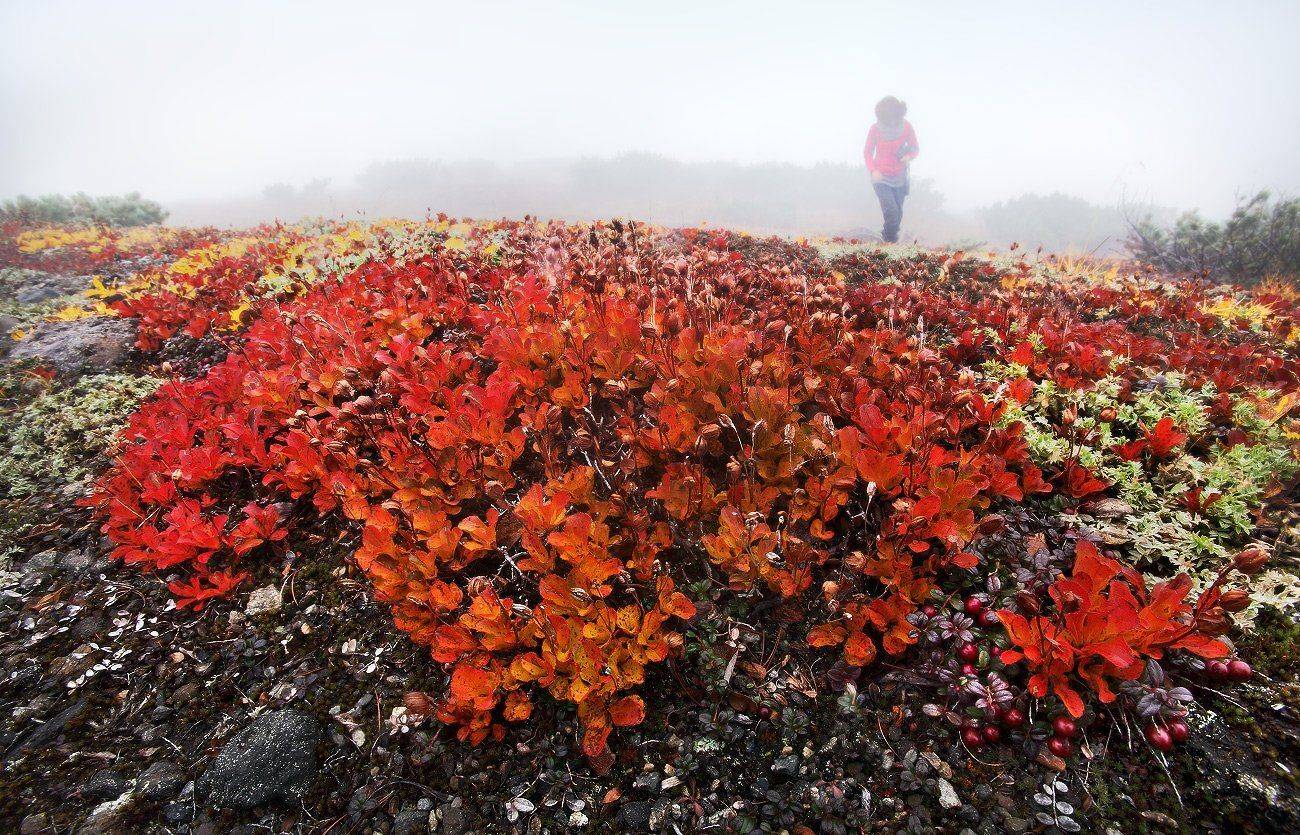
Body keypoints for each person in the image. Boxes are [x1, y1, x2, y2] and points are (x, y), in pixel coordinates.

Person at [864, 96, 919, 243]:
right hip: (880, 177)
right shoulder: (875, 129)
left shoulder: (906, 127)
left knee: (898, 214)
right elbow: (868, 152)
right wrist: (873, 170)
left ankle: (888, 239)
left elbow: (915, 148)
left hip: (900, 178)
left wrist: (908, 156)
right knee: (891, 211)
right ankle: (889, 241)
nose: (892, 121)